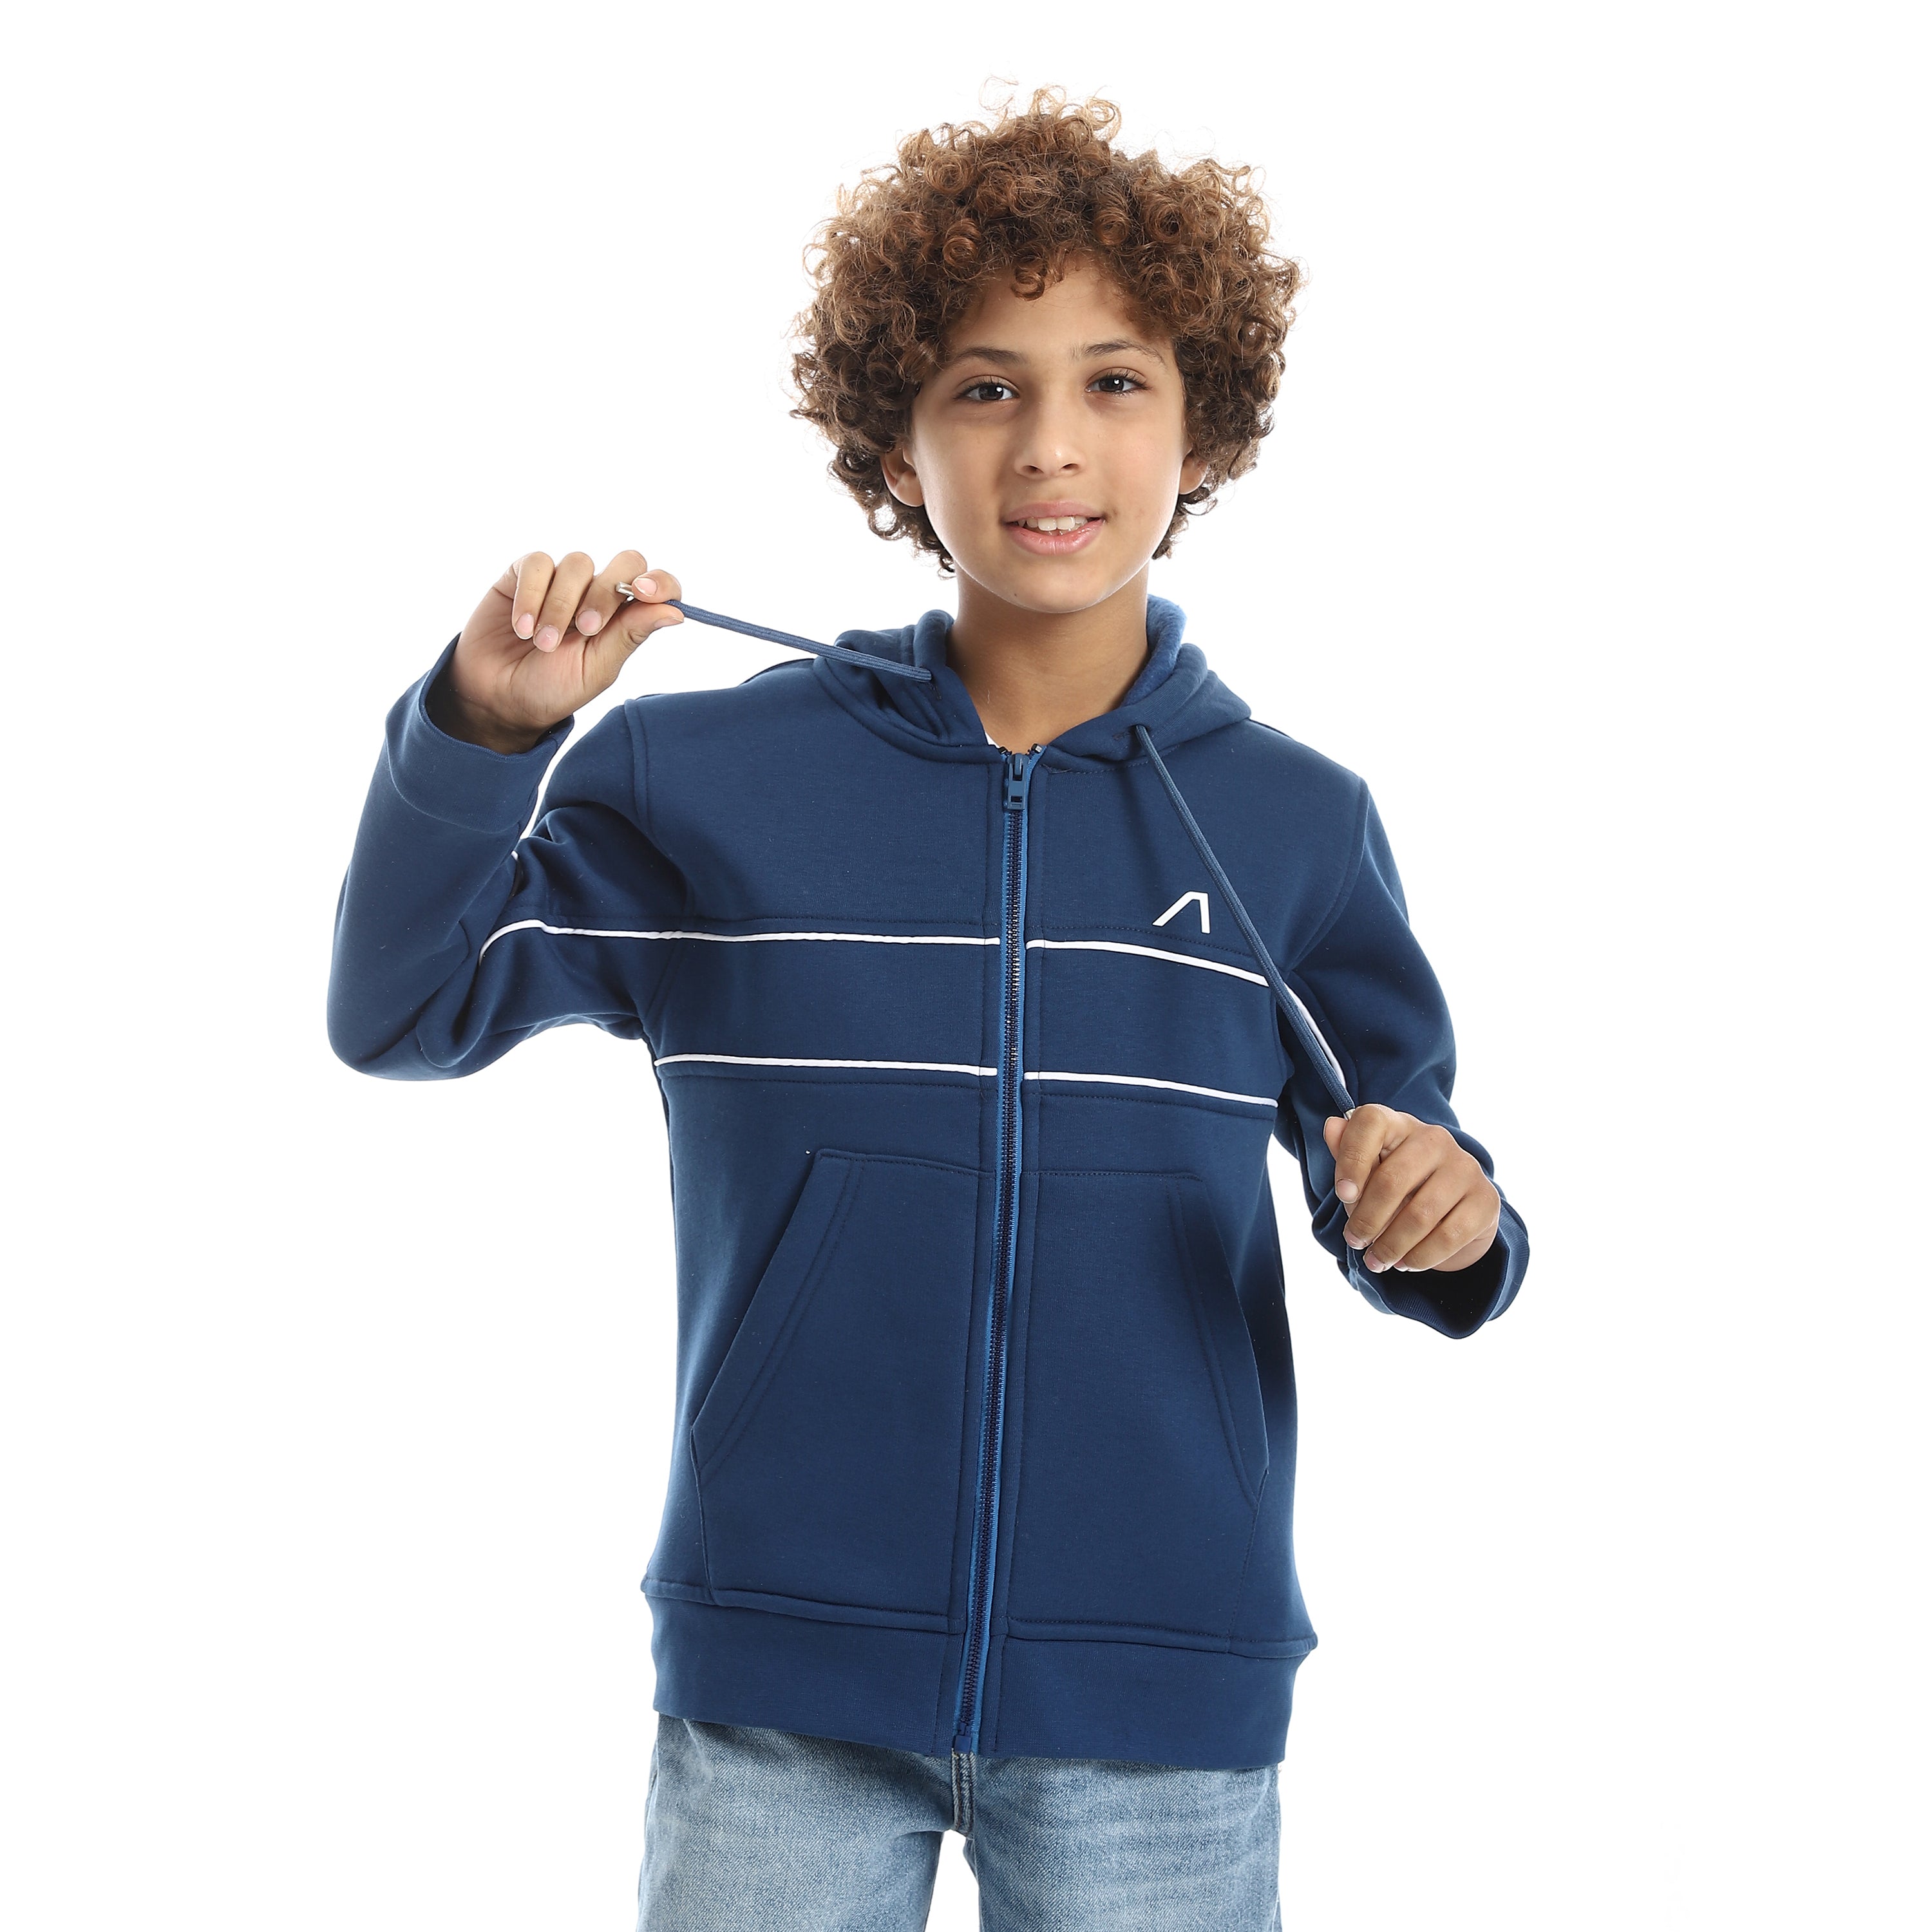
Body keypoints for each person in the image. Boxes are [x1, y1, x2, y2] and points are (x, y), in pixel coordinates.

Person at [328, 88, 1530, 1932]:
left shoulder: (1295, 822)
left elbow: (1420, 1186)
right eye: (984, 387)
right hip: (778, 1688)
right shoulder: (703, 782)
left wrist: (1451, 1222)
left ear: (1202, 425)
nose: (1052, 444)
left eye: (1115, 381)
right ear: (893, 443)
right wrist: (483, 734)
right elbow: (406, 1006)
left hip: (1162, 1691)